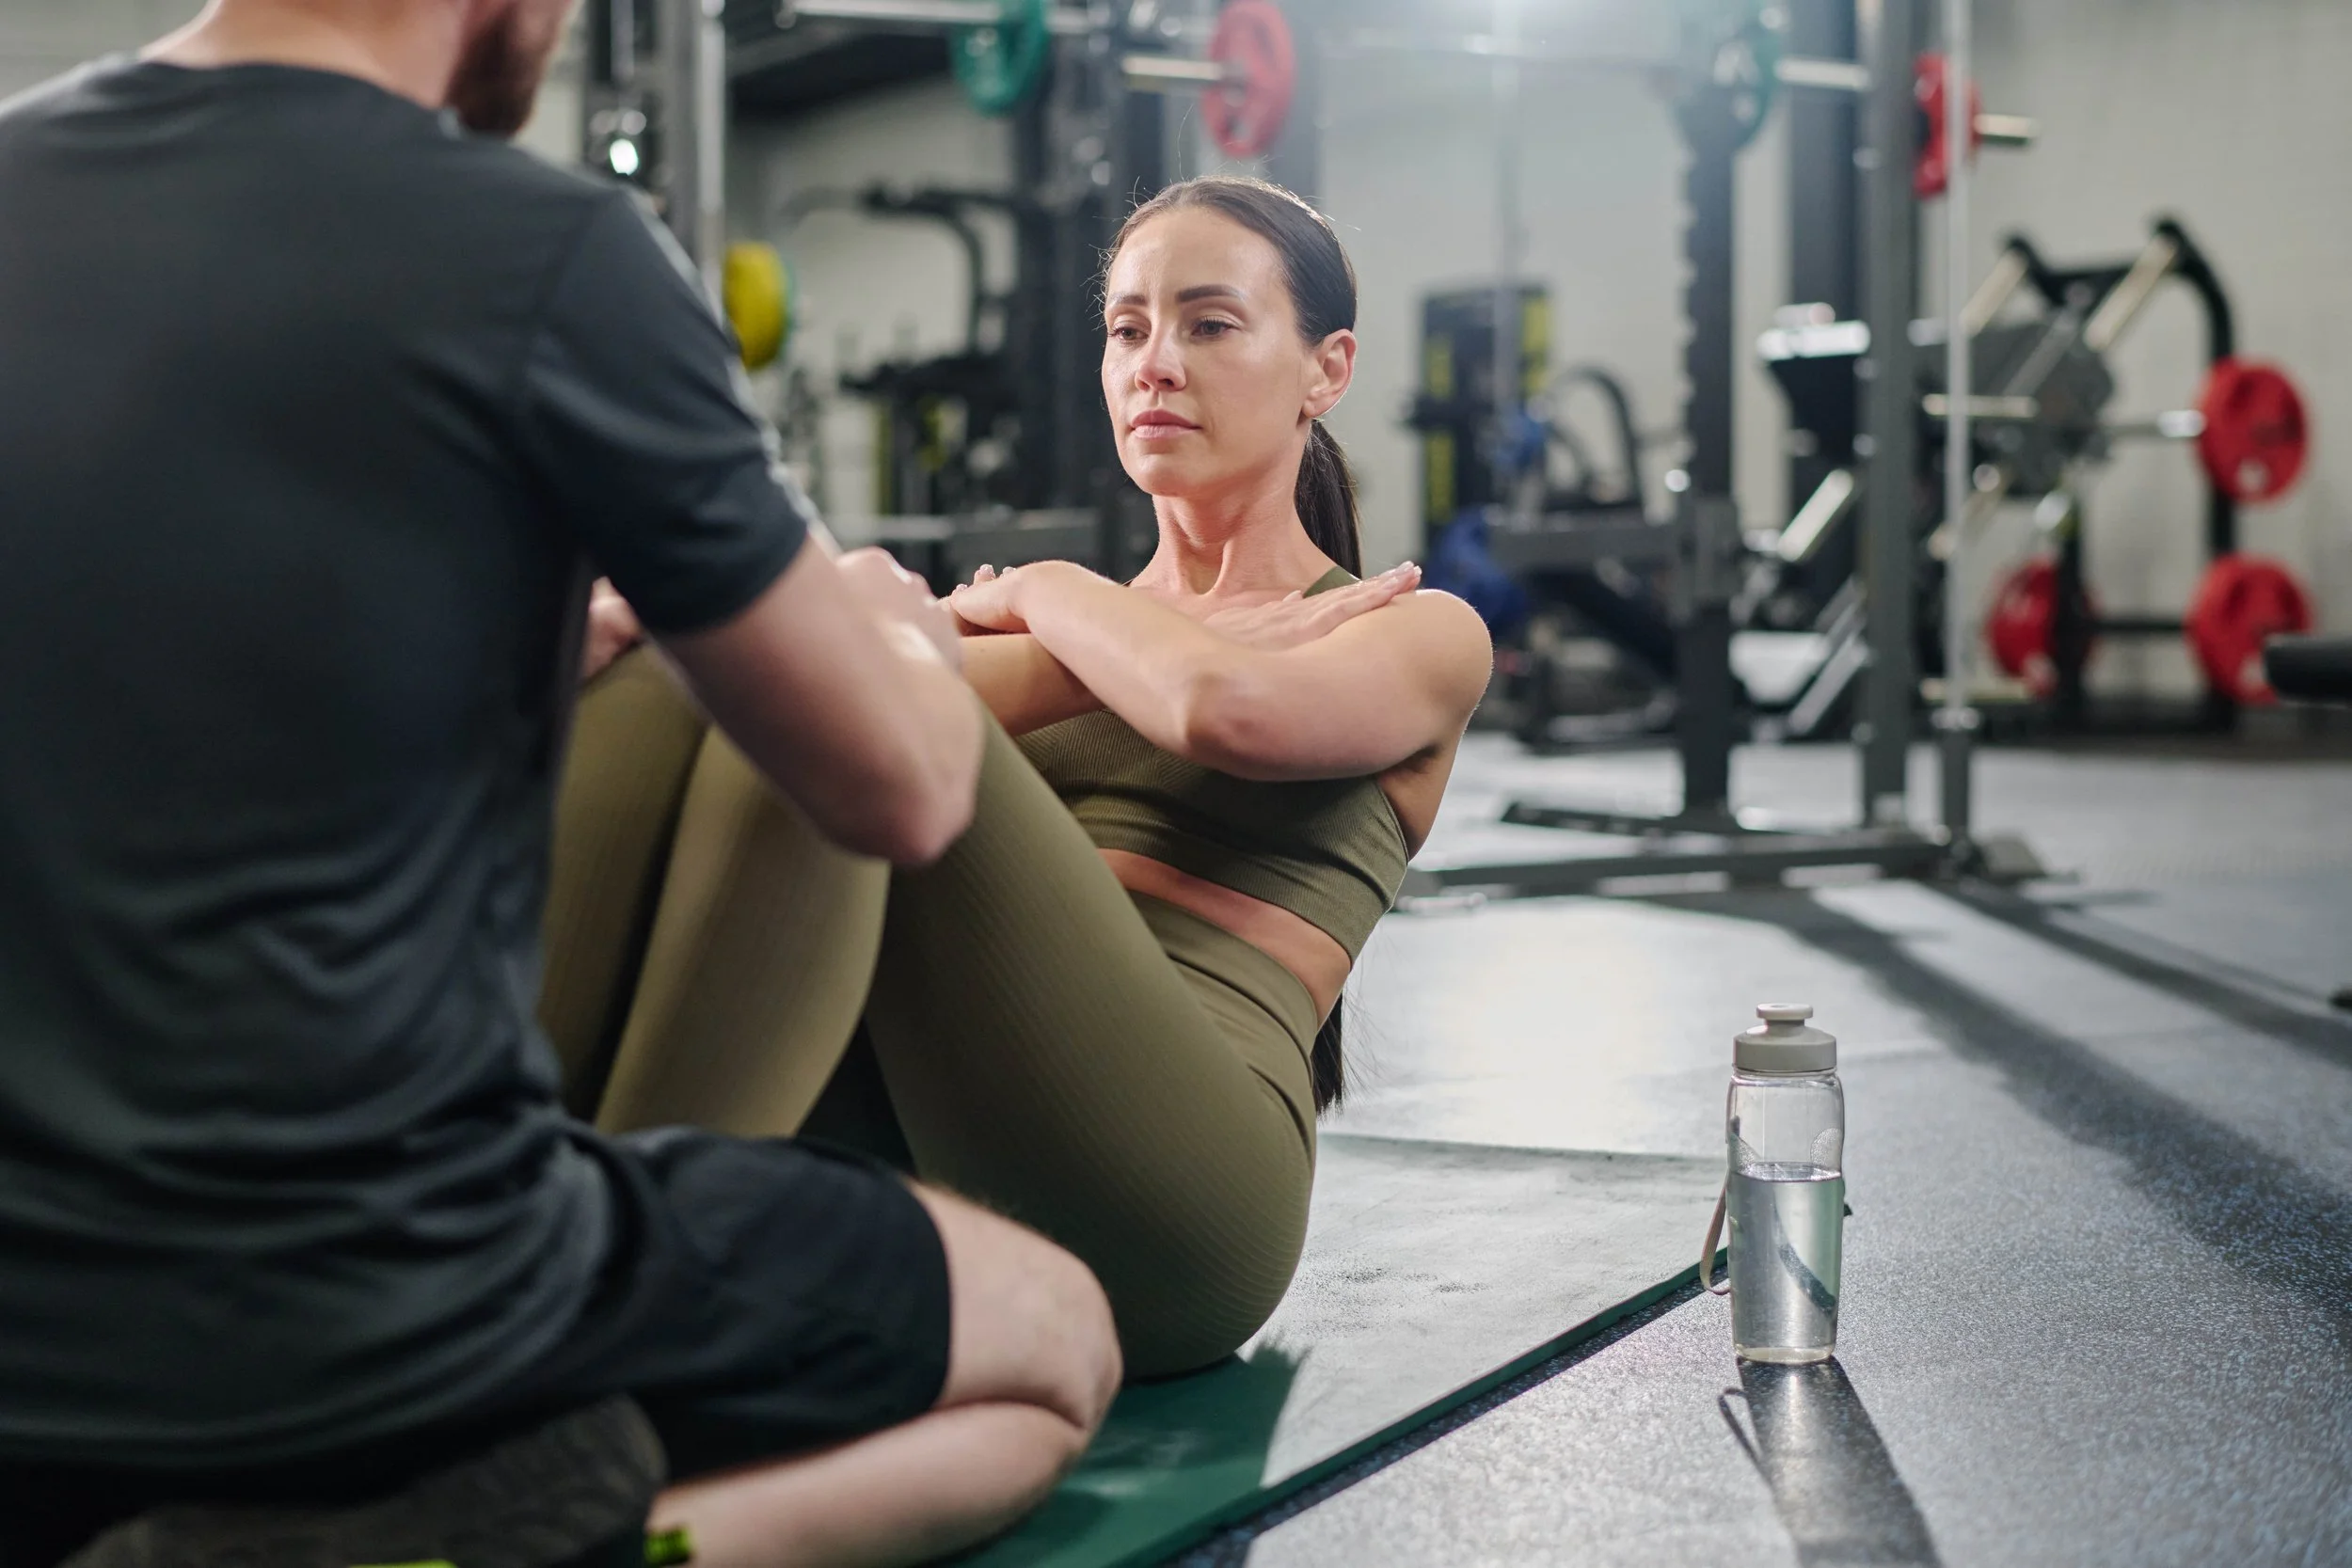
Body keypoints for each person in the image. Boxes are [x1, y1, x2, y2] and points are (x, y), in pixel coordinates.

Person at [0, 1, 1121, 1565]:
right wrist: (890, 624)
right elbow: (903, 792)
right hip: (384, 1312)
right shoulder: (543, 248)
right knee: (1056, 1339)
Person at [544, 176, 1495, 1381]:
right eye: (1127, 328)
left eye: (1208, 323)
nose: (1154, 363)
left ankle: (583, 1279)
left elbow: (1220, 703)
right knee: (712, 690)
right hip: (942, 1144)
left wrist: (1044, 586)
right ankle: (522, 1214)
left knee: (849, 693)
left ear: (1327, 369)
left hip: (1183, 1198)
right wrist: (660, 620)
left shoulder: (1406, 629)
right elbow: (776, 675)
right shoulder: (1066, 641)